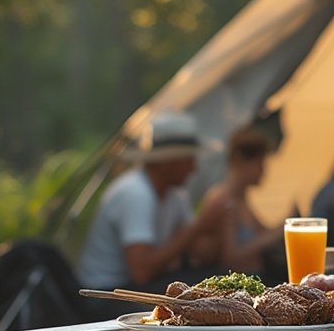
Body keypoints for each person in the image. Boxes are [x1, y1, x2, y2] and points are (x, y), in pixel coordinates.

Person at [77, 110, 217, 305]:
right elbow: (141, 273)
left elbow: (200, 253)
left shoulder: (175, 195)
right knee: (194, 301)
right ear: (167, 164)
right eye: (188, 160)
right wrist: (198, 227)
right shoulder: (135, 193)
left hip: (135, 286)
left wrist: (219, 222)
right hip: (106, 294)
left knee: (209, 286)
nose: (194, 169)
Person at [187, 127, 287, 285]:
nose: (263, 172)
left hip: (257, 276)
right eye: (260, 164)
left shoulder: (242, 198)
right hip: (238, 284)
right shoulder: (222, 201)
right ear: (240, 161)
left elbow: (261, 231)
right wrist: (275, 234)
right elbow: (230, 258)